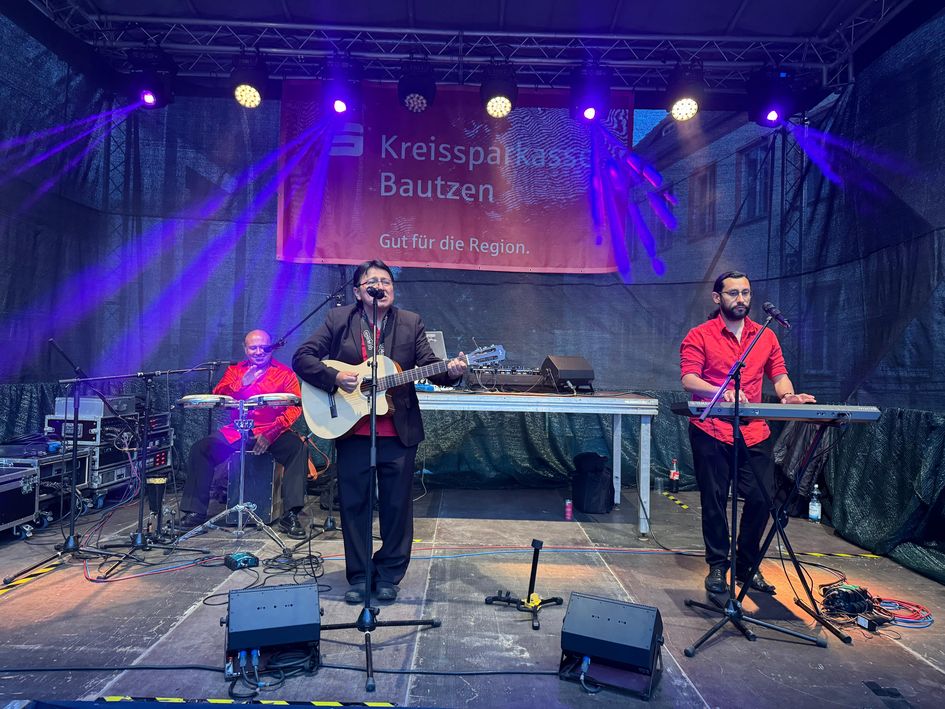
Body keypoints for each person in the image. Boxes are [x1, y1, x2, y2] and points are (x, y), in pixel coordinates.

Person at [293, 260, 467, 604]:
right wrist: (335, 378)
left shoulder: (410, 322)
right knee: (355, 505)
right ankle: (360, 575)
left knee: (396, 507)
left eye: (386, 281)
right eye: (373, 281)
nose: (381, 286)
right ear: (358, 291)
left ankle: (388, 574)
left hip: (398, 433)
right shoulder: (338, 320)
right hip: (352, 430)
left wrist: (452, 371)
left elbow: (429, 366)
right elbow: (303, 357)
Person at [680, 271, 815, 595]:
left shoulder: (765, 336)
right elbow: (689, 379)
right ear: (717, 298)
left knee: (762, 497)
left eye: (746, 293)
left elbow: (778, 374)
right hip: (711, 430)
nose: (741, 299)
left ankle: (746, 565)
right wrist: (720, 391)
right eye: (733, 293)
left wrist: (788, 396)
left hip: (754, 432)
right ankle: (717, 566)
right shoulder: (700, 335)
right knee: (714, 500)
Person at [177, 330, 308, 539]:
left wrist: (271, 433)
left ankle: (291, 514)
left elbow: (295, 408)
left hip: (271, 430)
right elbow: (219, 396)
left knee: (297, 448)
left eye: (263, 347)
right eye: (253, 347)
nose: (259, 352)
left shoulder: (285, 373)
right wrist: (241, 384)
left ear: (271, 348)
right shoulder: (235, 371)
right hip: (237, 431)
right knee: (201, 449)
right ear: (245, 349)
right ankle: (195, 512)